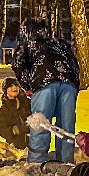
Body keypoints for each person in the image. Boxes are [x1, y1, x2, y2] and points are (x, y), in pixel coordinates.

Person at [13, 18, 80, 164]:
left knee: (40, 123)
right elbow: (75, 64)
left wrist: (27, 87)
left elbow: (18, 64)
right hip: (69, 82)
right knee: (66, 126)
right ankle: (66, 163)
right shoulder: (60, 44)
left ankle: (37, 163)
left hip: (44, 81)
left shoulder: (29, 44)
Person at [0, 76, 31, 151]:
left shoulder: (27, 103)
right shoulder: (4, 109)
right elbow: (0, 127)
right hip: (15, 148)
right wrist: (13, 130)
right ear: (5, 90)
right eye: (10, 86)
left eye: (16, 85)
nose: (14, 87)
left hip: (33, 143)